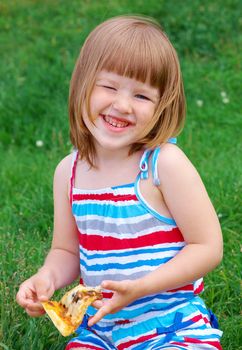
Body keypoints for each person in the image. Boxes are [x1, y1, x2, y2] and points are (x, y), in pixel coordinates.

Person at [16, 15, 223, 350]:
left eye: (142, 96)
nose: (122, 105)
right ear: (83, 84)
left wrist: (142, 286)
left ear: (161, 105)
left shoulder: (163, 165)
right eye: (109, 87)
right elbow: (66, 250)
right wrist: (47, 278)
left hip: (171, 324)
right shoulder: (68, 172)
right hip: (101, 329)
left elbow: (208, 247)